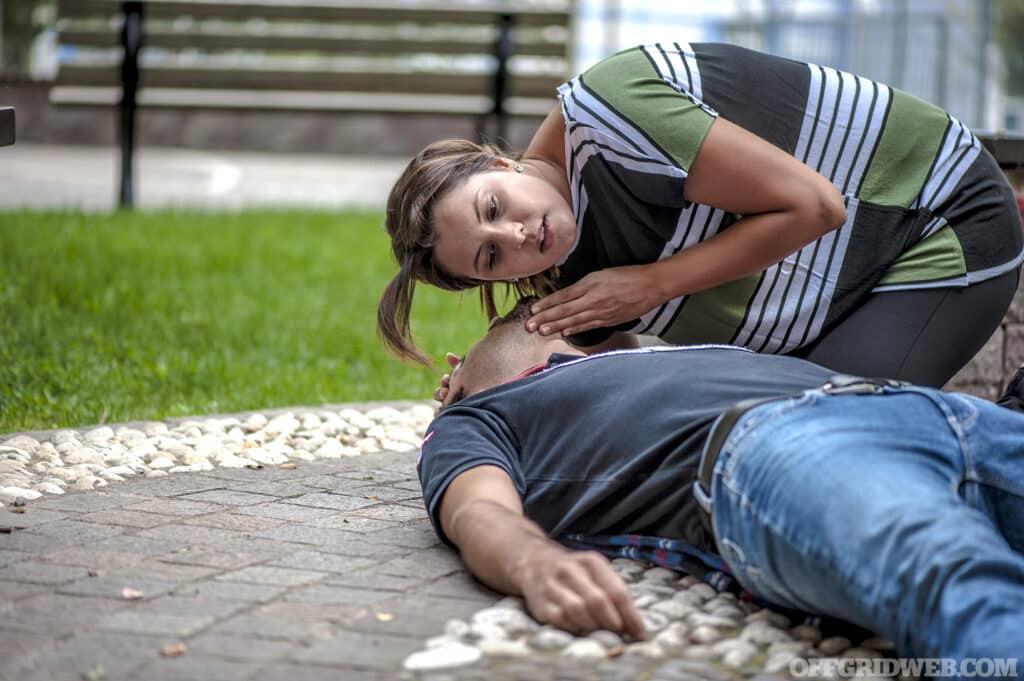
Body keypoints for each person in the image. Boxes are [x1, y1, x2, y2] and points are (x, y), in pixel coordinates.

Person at [379, 41, 1023, 388]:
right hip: (843, 307)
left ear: (502, 163)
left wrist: (653, 282)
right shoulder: (562, 271)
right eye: (492, 256)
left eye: (493, 207)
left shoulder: (612, 111)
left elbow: (816, 205)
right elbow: (613, 364)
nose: (517, 234)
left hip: (936, 219)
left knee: (843, 434)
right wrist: (491, 380)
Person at [417, 296, 1024, 662]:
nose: (530, 308)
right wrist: (534, 564)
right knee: (959, 578)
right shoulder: (476, 417)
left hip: (930, 412)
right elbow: (478, 511)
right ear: (458, 382)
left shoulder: (656, 355)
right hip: (777, 448)